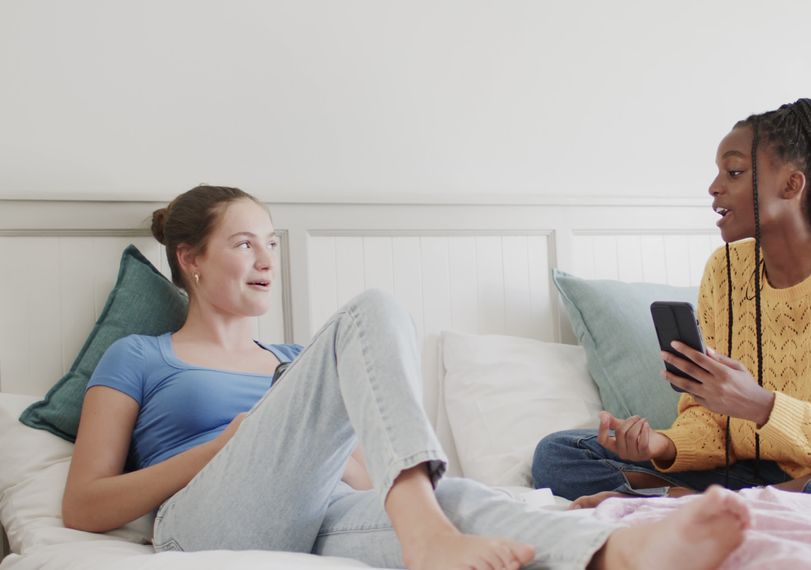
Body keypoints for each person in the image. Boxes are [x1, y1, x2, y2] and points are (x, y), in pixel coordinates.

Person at [61, 185, 753, 570]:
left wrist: (467, 495)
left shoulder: (295, 362)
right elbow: (84, 506)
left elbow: (368, 471)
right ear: (190, 259)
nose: (267, 257)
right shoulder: (141, 357)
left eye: (271, 242)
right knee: (373, 312)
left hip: (315, 514)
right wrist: (226, 446)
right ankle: (428, 535)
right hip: (205, 520)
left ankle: (618, 555)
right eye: (245, 243)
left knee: (458, 504)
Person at [533, 98, 811, 509]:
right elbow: (708, 422)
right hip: (736, 471)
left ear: (791, 185)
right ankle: (712, 499)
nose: (714, 187)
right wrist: (661, 444)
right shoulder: (725, 270)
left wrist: (762, 406)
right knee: (558, 454)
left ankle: (694, 504)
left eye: (735, 172)